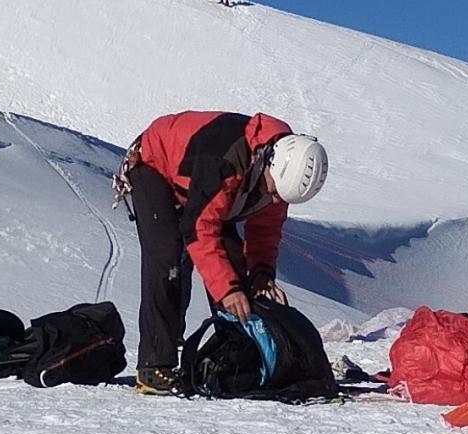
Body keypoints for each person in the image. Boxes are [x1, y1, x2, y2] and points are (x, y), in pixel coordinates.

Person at [119, 112, 329, 390]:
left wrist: (261, 275)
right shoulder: (226, 160)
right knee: (167, 260)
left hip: (205, 189)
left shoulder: (281, 174)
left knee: (232, 267)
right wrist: (227, 290)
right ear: (268, 162)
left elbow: (264, 232)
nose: (274, 199)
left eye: (280, 197)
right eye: (274, 191)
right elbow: (198, 228)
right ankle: (154, 366)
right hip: (154, 164)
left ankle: (237, 355)